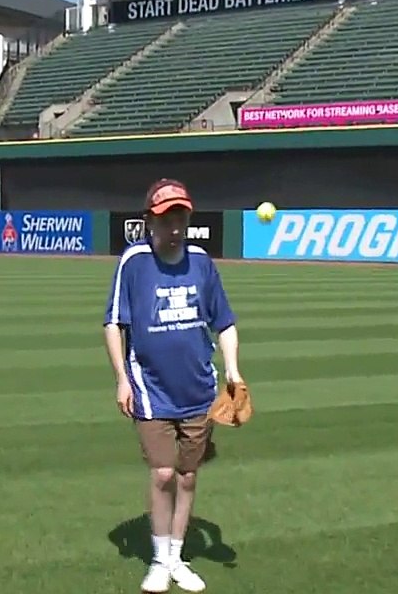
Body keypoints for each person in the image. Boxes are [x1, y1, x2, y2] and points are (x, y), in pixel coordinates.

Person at [103, 178, 244, 594]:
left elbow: (225, 322)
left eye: (181, 216)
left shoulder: (201, 261)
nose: (175, 225)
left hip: (199, 389)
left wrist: (233, 372)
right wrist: (121, 379)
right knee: (163, 472)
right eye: (166, 218)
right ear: (150, 221)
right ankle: (160, 558)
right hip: (150, 388)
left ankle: (177, 556)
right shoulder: (134, 261)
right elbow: (114, 323)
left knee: (186, 476)